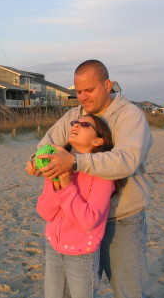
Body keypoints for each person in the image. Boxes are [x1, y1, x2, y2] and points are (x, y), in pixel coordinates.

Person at [26, 59, 153, 298]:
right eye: (78, 91)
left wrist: (74, 162)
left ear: (107, 84)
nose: (83, 97)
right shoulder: (75, 115)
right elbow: (47, 144)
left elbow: (127, 160)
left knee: (128, 289)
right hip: (77, 222)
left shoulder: (129, 115)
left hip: (121, 217)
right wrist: (36, 160)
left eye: (89, 90)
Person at [37, 114, 118, 298]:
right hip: (53, 247)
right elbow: (46, 212)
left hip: (81, 254)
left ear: (98, 140)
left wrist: (66, 187)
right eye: (75, 122)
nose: (76, 125)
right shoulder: (59, 165)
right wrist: (55, 183)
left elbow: (89, 221)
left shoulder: (102, 175)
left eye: (84, 124)